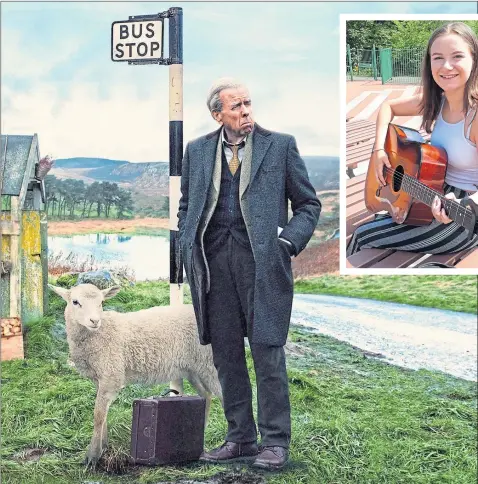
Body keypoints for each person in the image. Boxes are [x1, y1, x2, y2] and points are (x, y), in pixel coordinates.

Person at [177, 78, 321, 470]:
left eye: (248, 104)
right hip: (212, 264)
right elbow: (188, 204)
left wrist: (288, 243)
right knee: (225, 354)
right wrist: (186, 243)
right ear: (217, 114)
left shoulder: (281, 145)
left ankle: (275, 442)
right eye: (236, 106)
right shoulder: (198, 150)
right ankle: (240, 438)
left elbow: (308, 204)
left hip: (262, 264)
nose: (245, 112)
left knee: (267, 351)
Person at [347, 22, 478, 257]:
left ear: (474, 60)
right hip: (431, 190)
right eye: (437, 57)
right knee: (374, 220)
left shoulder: (475, 116)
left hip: (462, 216)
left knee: (361, 236)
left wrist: (468, 204)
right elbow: (387, 106)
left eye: (457, 56)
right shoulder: (437, 100)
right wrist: (379, 151)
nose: (446, 66)